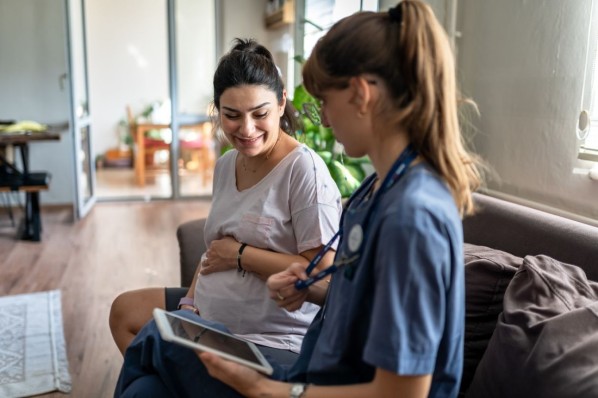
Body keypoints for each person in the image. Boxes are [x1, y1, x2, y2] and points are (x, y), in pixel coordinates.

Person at [114, 2, 482, 397]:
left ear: (359, 94)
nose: (322, 119)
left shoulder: (412, 216)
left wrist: (270, 391)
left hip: (308, 383)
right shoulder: (376, 191)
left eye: (324, 101)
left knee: (155, 340)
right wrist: (309, 286)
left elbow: (403, 392)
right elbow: (354, 298)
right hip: (314, 367)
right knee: (145, 388)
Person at [109, 38, 342, 362]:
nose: (246, 129)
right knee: (124, 313)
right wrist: (190, 303)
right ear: (217, 110)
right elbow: (215, 247)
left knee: (148, 366)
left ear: (280, 103)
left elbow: (323, 274)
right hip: (208, 313)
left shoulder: (303, 170)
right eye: (231, 115)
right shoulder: (226, 164)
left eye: (259, 113)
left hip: (268, 336)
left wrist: (242, 255)